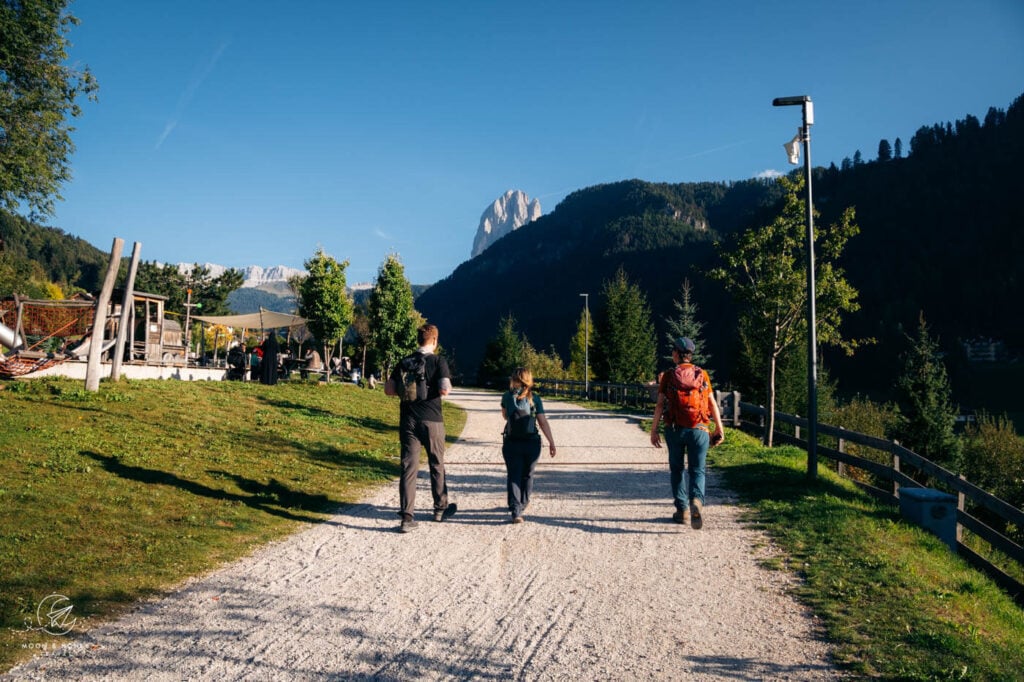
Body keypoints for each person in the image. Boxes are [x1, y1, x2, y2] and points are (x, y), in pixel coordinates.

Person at [384, 324, 456, 533]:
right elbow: (444, 389)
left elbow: (388, 390)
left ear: (418, 340)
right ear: (434, 340)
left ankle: (407, 517)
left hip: (408, 420)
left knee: (408, 467)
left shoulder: (404, 361)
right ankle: (440, 508)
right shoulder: (438, 360)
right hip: (432, 419)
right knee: (436, 463)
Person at [649, 337, 725, 530]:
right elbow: (711, 402)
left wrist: (654, 429)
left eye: (673, 351)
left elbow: (659, 405)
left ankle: (682, 510)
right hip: (699, 429)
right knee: (697, 470)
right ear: (690, 355)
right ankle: (697, 501)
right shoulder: (702, 374)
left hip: (675, 429)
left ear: (676, 353)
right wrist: (719, 427)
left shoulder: (668, 375)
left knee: (677, 469)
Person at [500, 367, 556, 523]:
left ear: (514, 380)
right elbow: (542, 422)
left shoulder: (506, 396)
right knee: (528, 474)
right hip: (532, 443)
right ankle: (523, 503)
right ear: (529, 380)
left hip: (512, 442)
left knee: (513, 474)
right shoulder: (535, 398)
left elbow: (505, 416)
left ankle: (516, 510)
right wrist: (551, 442)